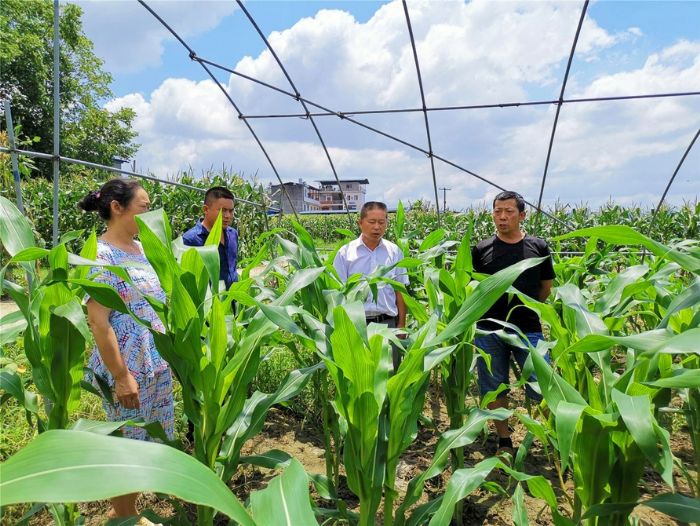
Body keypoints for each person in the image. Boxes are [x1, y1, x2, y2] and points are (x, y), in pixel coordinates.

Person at [79, 179, 173, 523]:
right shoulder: (100, 256)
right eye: (144, 209)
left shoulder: (143, 249)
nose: (149, 217)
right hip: (128, 368)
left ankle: (123, 510)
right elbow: (99, 324)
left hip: (155, 361)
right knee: (126, 444)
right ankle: (123, 516)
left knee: (147, 441)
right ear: (117, 208)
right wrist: (121, 377)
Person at [471, 190, 555, 455]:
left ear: (522, 215)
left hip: (527, 328)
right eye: (498, 211)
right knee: (494, 386)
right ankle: (505, 439)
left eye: (508, 211)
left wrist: (526, 309)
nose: (502, 217)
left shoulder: (537, 247)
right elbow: (473, 287)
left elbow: (545, 288)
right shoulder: (481, 249)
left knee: (542, 384)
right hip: (488, 328)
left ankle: (551, 435)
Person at [333, 201, 408, 370]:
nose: (377, 227)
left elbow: (400, 291)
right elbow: (337, 293)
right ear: (360, 223)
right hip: (356, 326)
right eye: (372, 222)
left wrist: (401, 325)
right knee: (360, 374)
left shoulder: (394, 252)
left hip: (387, 324)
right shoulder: (346, 253)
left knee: (389, 375)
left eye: (382, 222)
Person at [182, 186, 239, 290]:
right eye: (222, 210)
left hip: (234, 300)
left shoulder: (233, 234)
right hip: (210, 303)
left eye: (231, 211)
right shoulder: (191, 240)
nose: (227, 216)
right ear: (206, 209)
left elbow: (233, 268)